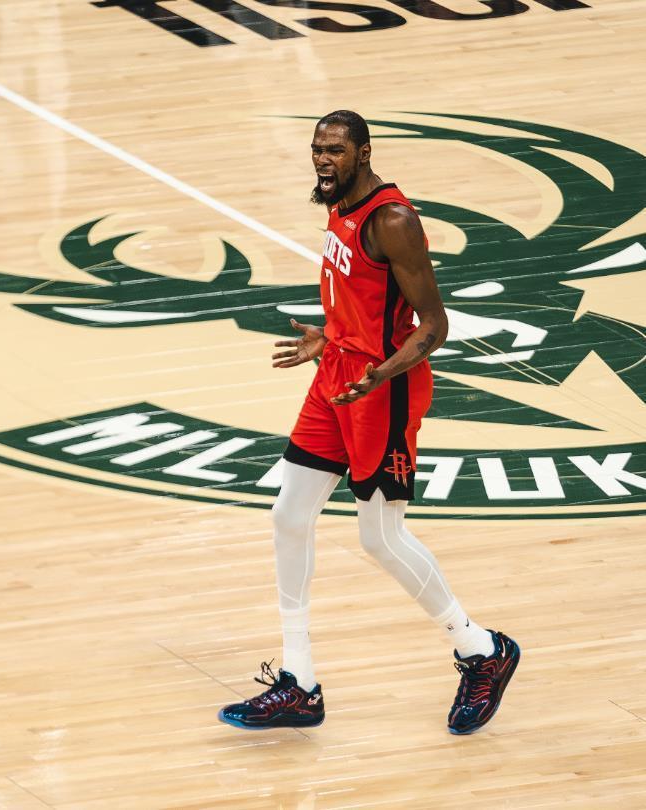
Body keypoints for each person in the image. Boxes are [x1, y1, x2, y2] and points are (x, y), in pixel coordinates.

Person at [218, 110, 519, 735]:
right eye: (317, 148)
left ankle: (480, 650)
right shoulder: (337, 203)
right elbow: (361, 301)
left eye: (335, 150)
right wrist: (329, 337)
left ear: (363, 153)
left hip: (385, 387)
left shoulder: (392, 221)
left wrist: (381, 373)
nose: (322, 159)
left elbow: (434, 326)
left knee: (380, 537)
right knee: (289, 515)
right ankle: (299, 684)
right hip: (339, 373)